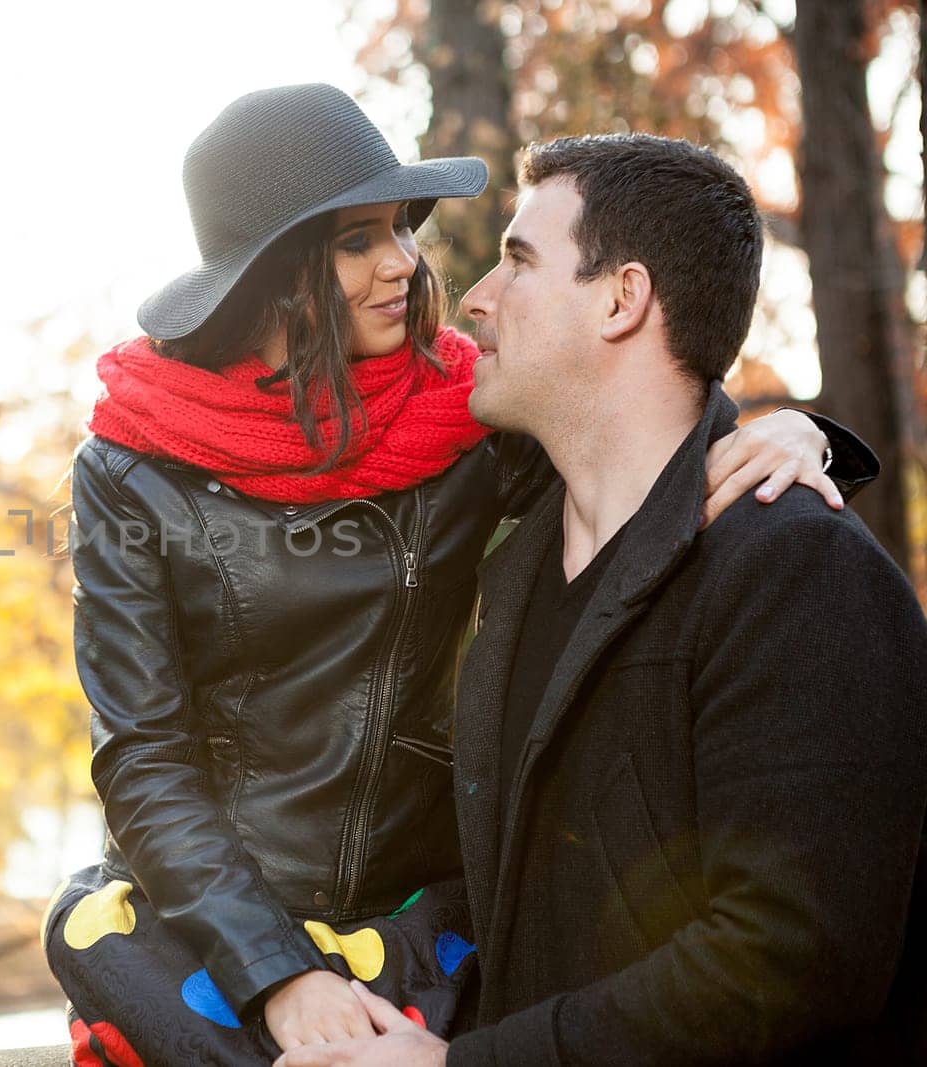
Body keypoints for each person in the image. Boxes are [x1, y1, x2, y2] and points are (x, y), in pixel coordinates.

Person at [45, 86, 870, 1067]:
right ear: (271, 272)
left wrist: (789, 428)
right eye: (357, 239)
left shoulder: (468, 421)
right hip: (214, 920)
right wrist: (277, 972)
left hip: (426, 910)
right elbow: (142, 751)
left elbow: (629, 420)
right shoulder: (130, 467)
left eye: (399, 227)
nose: (404, 261)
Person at [274, 134, 926, 1067]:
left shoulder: (797, 572)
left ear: (623, 299)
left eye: (519, 261)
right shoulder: (511, 561)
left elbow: (793, 956)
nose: (473, 299)